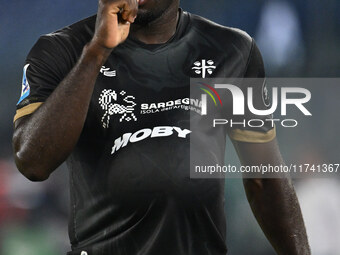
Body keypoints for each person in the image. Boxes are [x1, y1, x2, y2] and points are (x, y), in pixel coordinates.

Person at [12, 0, 310, 254]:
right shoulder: (61, 50)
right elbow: (32, 163)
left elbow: (264, 179)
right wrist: (96, 52)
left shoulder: (231, 50)